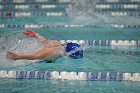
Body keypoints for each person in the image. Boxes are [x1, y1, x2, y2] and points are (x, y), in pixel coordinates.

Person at [6, 30, 83, 62]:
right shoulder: (54, 53)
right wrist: (18, 57)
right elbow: (36, 56)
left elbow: (46, 41)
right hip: (28, 58)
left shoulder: (57, 44)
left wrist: (36, 35)